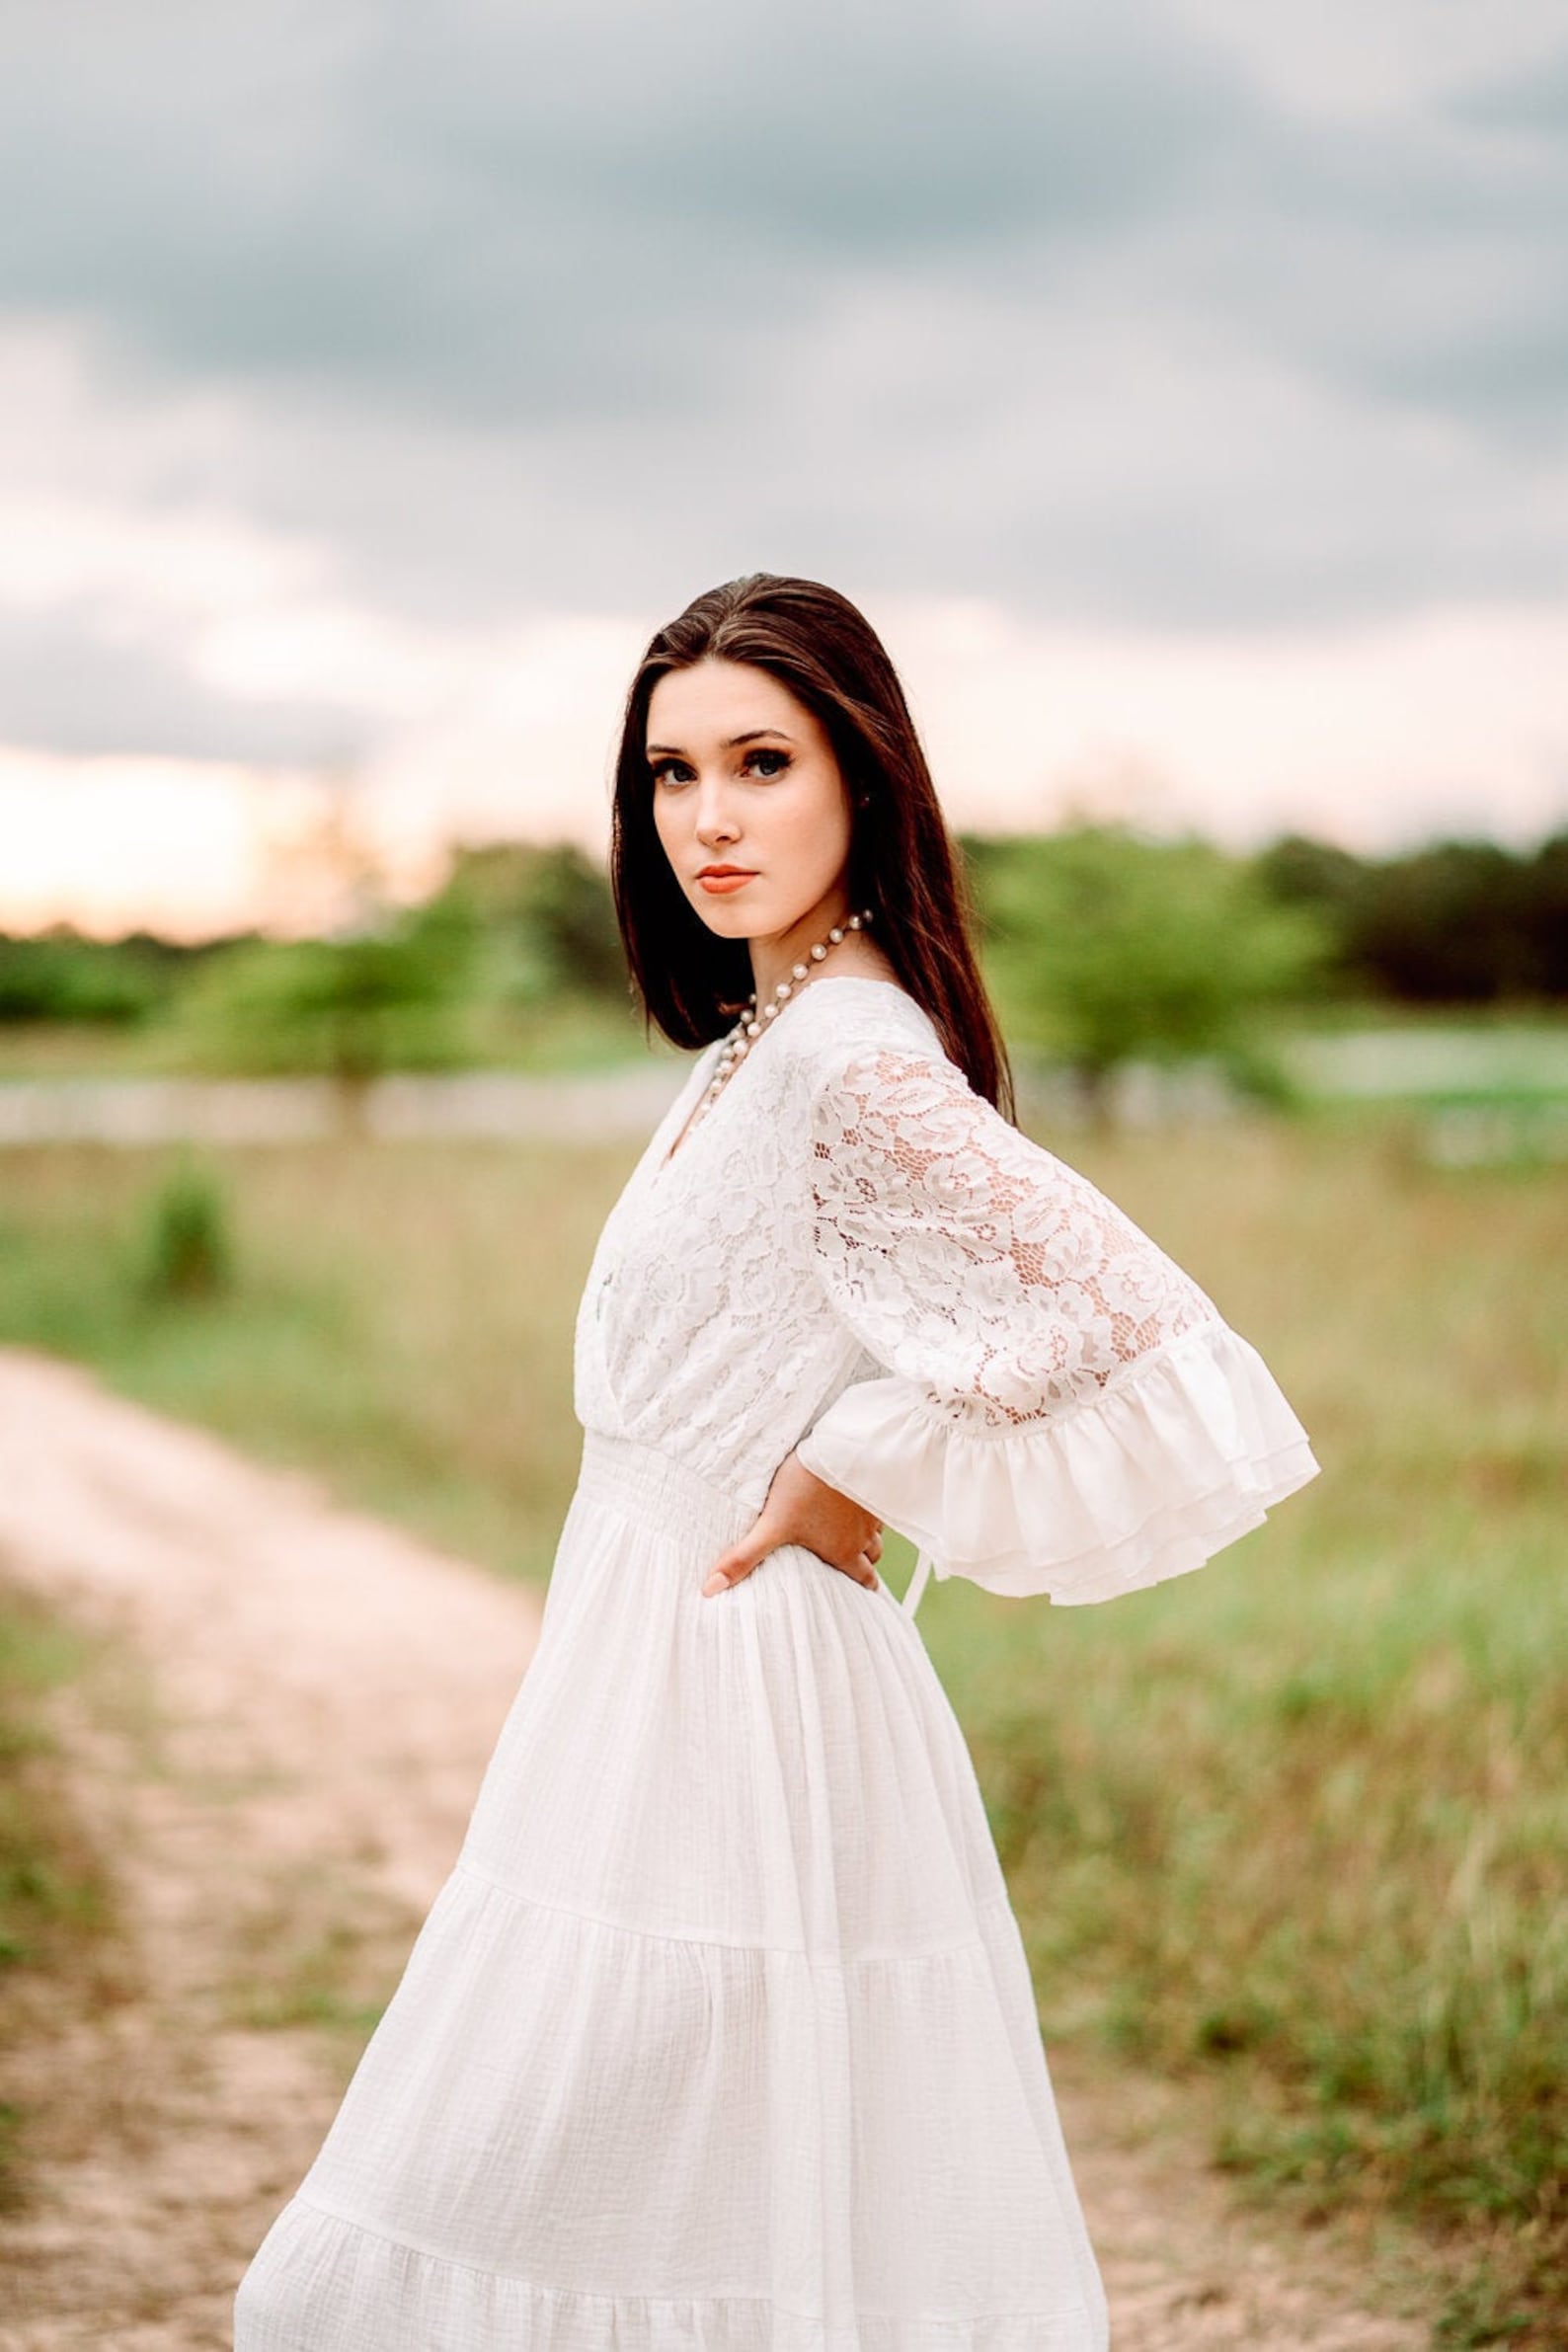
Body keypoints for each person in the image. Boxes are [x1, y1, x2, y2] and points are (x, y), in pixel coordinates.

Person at [233, 572, 1319, 2350]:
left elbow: (1140, 1321)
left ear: (863, 777)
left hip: (740, 1693)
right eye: (671, 774)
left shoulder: (853, 1060)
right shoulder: (773, 1029)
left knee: (493, 2190)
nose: (708, 819)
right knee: (703, 2187)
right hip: (647, 1677)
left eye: (761, 761)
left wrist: (853, 1469)